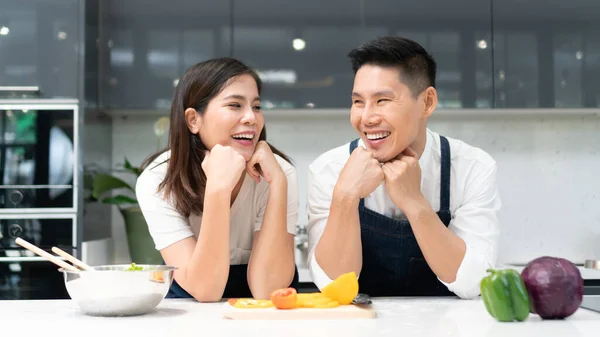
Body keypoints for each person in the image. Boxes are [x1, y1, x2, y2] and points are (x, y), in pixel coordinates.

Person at [306, 36, 501, 299]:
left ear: (428, 102)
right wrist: (345, 197)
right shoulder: (328, 169)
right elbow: (332, 287)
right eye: (358, 102)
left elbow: (473, 283)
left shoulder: (471, 168)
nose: (366, 118)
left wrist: (414, 202)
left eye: (383, 100)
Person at [136, 57, 299, 302]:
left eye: (256, 106)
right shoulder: (158, 180)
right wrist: (218, 190)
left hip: (261, 304)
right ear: (193, 120)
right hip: (189, 299)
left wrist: (278, 184)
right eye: (235, 105)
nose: (251, 118)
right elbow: (205, 290)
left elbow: (269, 290)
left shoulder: (277, 173)